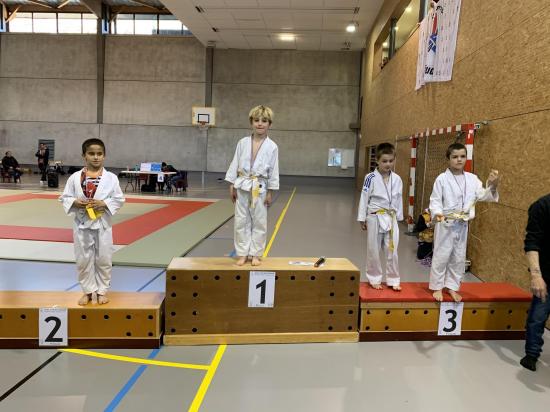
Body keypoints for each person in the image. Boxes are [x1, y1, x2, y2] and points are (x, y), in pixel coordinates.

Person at [429, 142, 500, 302]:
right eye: (455, 157)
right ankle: (437, 286)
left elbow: (483, 195)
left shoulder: (472, 179)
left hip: (462, 224)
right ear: (448, 159)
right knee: (441, 254)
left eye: (462, 156)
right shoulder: (442, 179)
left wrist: (493, 185)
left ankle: (452, 287)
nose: (459, 160)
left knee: (458, 256)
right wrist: (438, 214)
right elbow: (435, 200)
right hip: (446, 222)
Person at [59, 138, 125, 306]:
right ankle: (88, 292)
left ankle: (102, 291)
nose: (96, 157)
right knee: (83, 259)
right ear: (84, 156)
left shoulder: (111, 178)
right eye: (91, 153)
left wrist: (104, 203)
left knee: (104, 258)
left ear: (104, 155)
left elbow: (119, 198)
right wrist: (75, 202)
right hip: (81, 223)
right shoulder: (75, 178)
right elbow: (65, 197)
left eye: (99, 154)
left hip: (102, 223)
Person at [225, 105, 279, 266]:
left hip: (260, 187)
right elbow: (235, 162)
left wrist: (270, 192)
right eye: (256, 120)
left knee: (259, 222)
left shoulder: (272, 146)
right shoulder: (242, 143)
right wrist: (231, 184)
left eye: (264, 121)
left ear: (269, 124)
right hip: (242, 185)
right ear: (251, 122)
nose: (260, 124)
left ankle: (255, 254)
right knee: (241, 221)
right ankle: (242, 253)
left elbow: (274, 170)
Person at [357, 143, 403, 291]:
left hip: (391, 217)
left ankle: (393, 279)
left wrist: (399, 217)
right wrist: (362, 218)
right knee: (374, 249)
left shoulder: (397, 179)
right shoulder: (370, 177)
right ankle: (374, 278)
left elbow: (399, 199)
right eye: (384, 161)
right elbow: (364, 197)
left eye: (391, 161)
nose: (388, 164)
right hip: (374, 216)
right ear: (377, 160)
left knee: (392, 250)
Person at [520, 193, 550, 372]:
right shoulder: (542, 206)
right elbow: (532, 243)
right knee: (538, 317)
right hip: (546, 276)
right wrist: (536, 276)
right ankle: (531, 355)